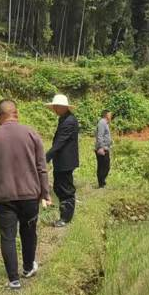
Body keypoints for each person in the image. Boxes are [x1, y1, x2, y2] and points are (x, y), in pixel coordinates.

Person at [0, 99, 51, 289]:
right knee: (29, 232)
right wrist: (45, 192)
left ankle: (13, 280)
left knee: (7, 236)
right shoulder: (31, 133)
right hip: (29, 194)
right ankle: (28, 268)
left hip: (3, 197)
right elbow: (41, 166)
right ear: (16, 113)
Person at [44, 92, 81, 225]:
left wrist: (46, 157)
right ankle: (64, 214)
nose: (54, 109)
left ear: (63, 107)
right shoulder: (64, 118)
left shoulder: (69, 121)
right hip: (62, 161)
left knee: (65, 189)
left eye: (56, 106)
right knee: (59, 187)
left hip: (66, 161)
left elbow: (60, 142)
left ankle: (65, 218)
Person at [95, 109, 114, 188]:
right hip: (102, 148)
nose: (111, 116)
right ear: (106, 115)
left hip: (106, 148)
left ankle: (102, 182)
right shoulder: (102, 123)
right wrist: (100, 148)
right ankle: (101, 184)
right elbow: (100, 136)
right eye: (110, 114)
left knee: (105, 166)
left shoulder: (105, 123)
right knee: (103, 166)